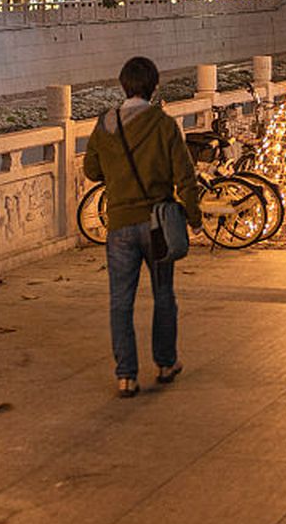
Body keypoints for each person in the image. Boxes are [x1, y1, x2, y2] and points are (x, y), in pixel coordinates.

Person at [82, 56, 203, 398]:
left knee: (121, 301)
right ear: (153, 87)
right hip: (158, 225)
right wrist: (194, 218)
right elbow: (185, 176)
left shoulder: (105, 124)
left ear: (123, 85)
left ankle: (126, 376)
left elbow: (91, 170)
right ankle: (165, 363)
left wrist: (117, 174)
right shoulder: (163, 124)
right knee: (163, 293)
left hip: (120, 224)